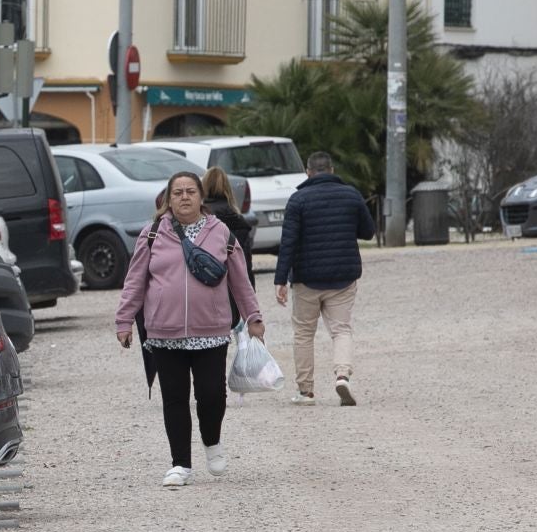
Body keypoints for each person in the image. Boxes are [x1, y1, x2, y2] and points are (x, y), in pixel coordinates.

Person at [116, 172, 265, 488]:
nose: (184, 197)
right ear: (168, 199)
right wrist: (124, 320)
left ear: (201, 197)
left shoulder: (220, 232)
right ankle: (180, 464)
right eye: (178, 192)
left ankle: (212, 441)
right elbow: (135, 280)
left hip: (211, 329)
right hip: (164, 332)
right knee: (174, 398)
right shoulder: (152, 234)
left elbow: (240, 279)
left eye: (190, 192)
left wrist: (253, 316)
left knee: (212, 394)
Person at [272, 151, 376, 406]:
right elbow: (368, 232)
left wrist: (280, 280)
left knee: (304, 333)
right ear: (331, 170)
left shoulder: (298, 200)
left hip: (306, 278)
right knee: (341, 329)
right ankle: (342, 375)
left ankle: (306, 391)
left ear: (308, 172)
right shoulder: (351, 195)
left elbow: (288, 243)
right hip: (343, 274)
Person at [201, 166, 256, 285]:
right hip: (236, 286)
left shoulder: (201, 217)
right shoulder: (239, 219)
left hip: (211, 284)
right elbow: (246, 264)